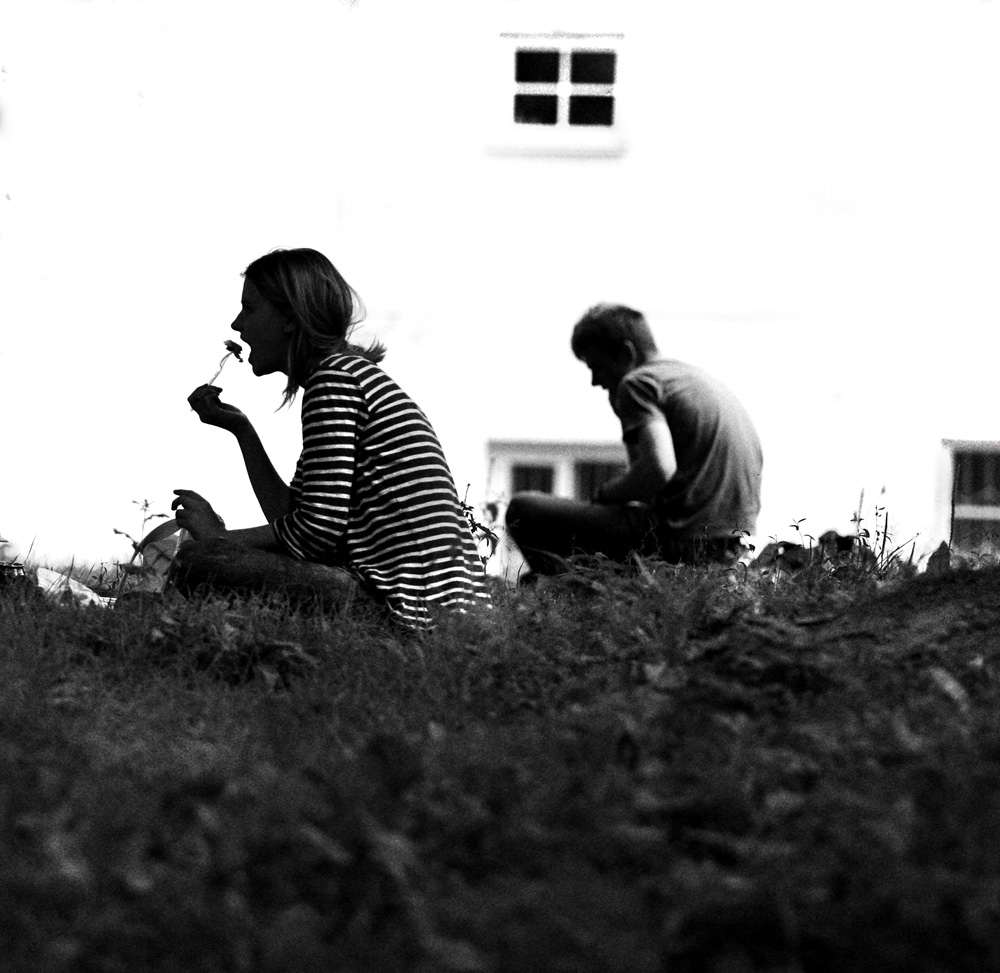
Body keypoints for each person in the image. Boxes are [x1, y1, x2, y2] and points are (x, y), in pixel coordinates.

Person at [171, 247, 490, 627]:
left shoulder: (333, 381)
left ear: (290, 317)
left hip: (406, 611)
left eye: (250, 308)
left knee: (200, 561)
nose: (237, 324)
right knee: (210, 558)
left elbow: (316, 535)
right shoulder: (347, 376)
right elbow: (300, 520)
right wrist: (243, 431)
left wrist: (220, 539)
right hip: (437, 609)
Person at [505, 304, 763, 575]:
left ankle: (570, 587)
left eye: (597, 367)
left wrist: (603, 494)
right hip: (729, 549)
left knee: (523, 510)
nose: (595, 381)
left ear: (626, 354)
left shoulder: (638, 383)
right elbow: (651, 487)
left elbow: (659, 468)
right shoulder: (693, 380)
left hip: (680, 542)